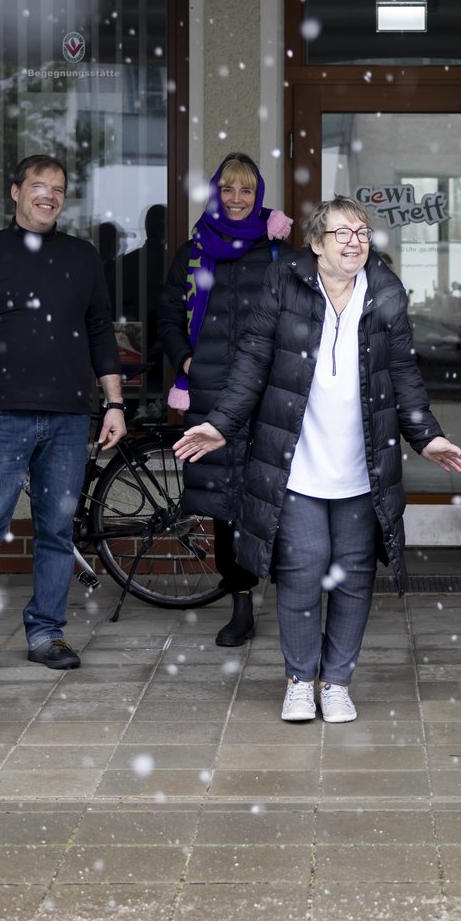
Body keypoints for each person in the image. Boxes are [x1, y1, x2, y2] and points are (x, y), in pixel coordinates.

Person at [175, 196, 461, 723]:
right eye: (343, 233)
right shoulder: (283, 287)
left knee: (355, 575)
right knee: (302, 571)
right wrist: (221, 423)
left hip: (364, 470)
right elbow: (253, 364)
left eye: (362, 232)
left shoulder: (384, 294)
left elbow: (403, 374)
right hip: (297, 467)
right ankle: (298, 679)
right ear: (315, 244)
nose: (356, 241)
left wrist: (425, 436)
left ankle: (336, 682)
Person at [0, 155, 125, 682]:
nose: (49, 196)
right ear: (15, 192)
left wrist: (114, 402)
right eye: (38, 186)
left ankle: (46, 632)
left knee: (58, 531)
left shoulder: (82, 258)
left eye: (58, 189)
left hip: (67, 418)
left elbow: (101, 333)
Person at [156, 153, 291, 647]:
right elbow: (168, 316)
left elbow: (297, 316)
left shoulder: (278, 250)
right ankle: (240, 602)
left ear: (259, 197)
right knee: (223, 502)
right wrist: (188, 363)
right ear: (216, 193)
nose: (237, 200)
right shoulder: (193, 251)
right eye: (229, 190)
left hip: (268, 391)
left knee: (274, 492)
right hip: (211, 392)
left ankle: (292, 595)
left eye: (247, 192)